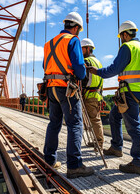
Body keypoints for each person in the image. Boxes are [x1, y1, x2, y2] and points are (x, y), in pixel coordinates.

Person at [87, 20, 140, 176]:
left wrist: (97, 72)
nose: (121, 39)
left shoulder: (127, 47)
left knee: (133, 126)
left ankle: (139, 162)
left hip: (130, 91)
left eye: (121, 37)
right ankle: (116, 147)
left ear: (124, 34)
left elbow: (115, 69)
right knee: (114, 116)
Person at [43, 12, 94, 179]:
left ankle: (49, 160)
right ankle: (74, 165)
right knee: (75, 124)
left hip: (51, 88)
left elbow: (45, 65)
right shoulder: (73, 40)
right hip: (67, 88)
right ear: (76, 28)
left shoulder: (48, 44)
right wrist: (81, 76)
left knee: (54, 123)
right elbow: (79, 67)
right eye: (79, 29)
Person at [81, 38, 104, 149]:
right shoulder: (98, 62)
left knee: (94, 120)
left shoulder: (86, 62)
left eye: (82, 49)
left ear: (87, 49)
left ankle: (99, 143)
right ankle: (96, 141)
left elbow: (83, 79)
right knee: (94, 119)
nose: (80, 51)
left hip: (89, 94)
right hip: (96, 94)